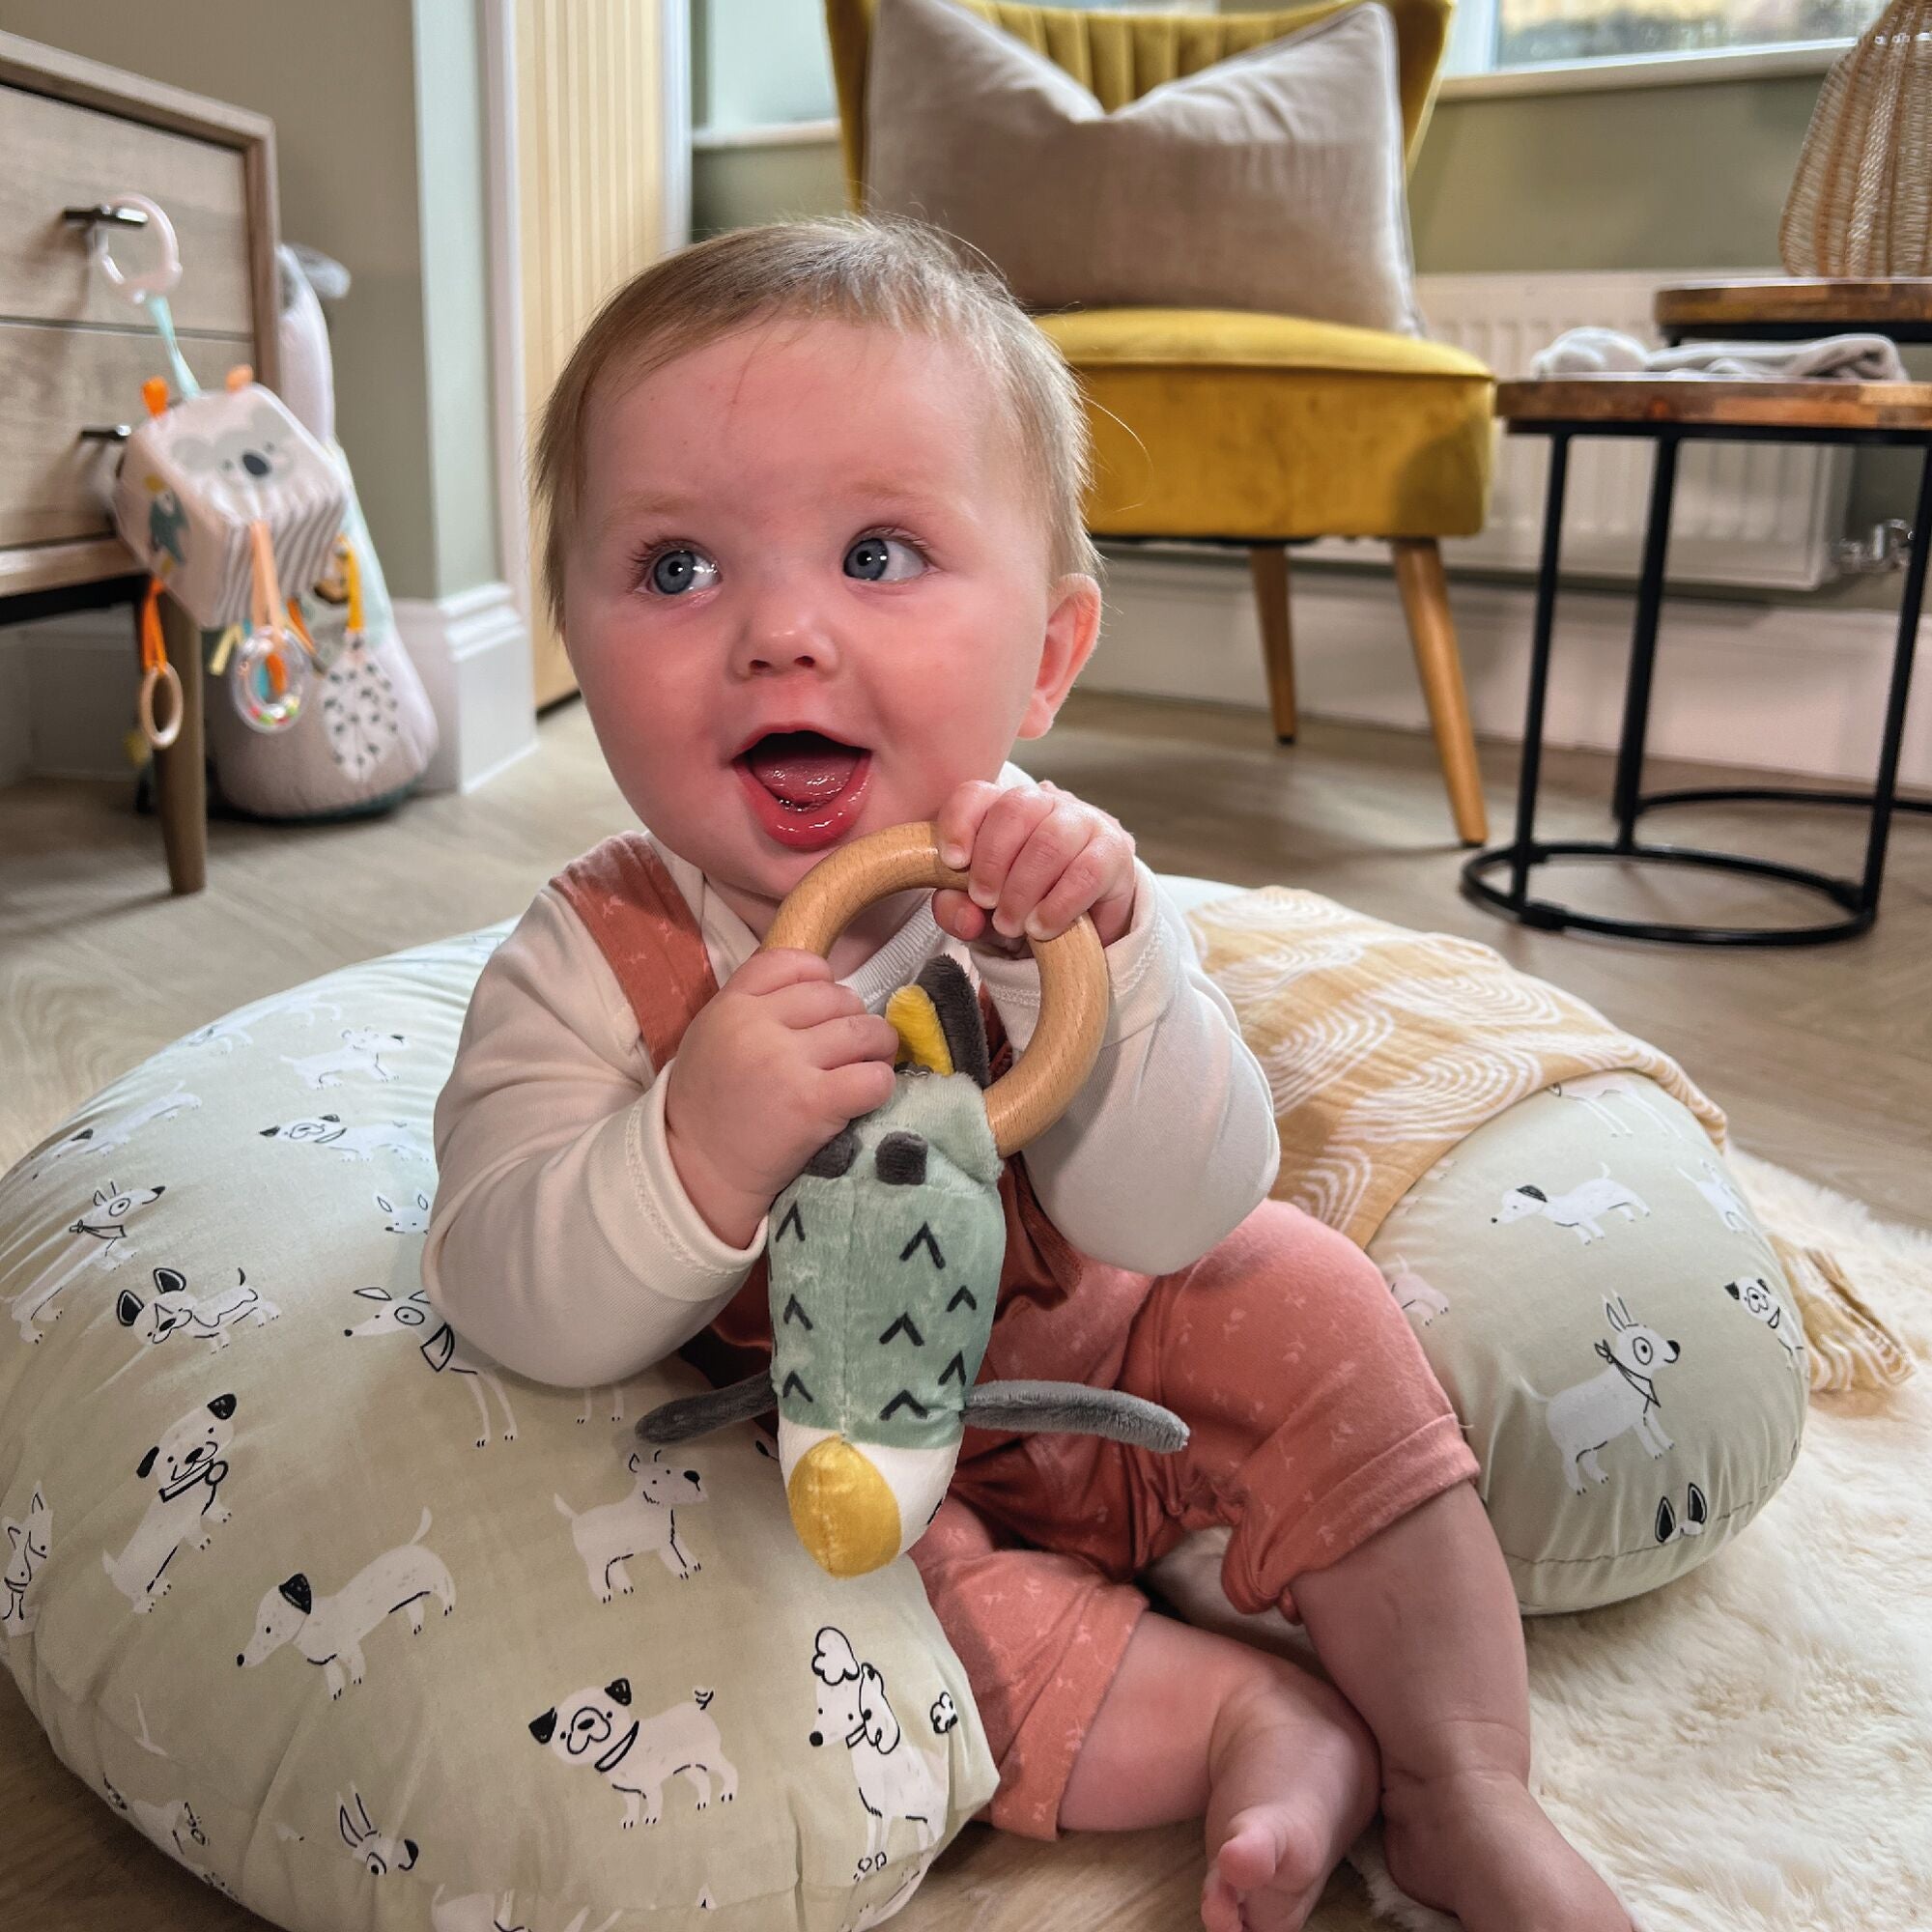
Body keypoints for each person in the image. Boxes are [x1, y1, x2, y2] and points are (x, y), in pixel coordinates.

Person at [424, 215, 1628, 1932]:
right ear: (573, 640)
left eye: (881, 554)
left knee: (1301, 1285)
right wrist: (687, 1149)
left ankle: (1458, 1784)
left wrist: (1117, 970)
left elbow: (1185, 1199)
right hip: (845, 1460)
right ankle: (1253, 1721)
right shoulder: (586, 960)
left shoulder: (1053, 894)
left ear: (1048, 656)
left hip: (1107, 1355)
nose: (777, 632)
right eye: (677, 569)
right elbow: (496, 1284)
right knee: (819, 1618)